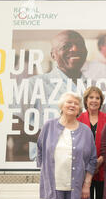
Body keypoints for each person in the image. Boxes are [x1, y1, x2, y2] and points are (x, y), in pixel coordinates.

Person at [8, 30, 89, 161]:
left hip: (89, 169)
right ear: (53, 55)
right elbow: (11, 121)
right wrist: (49, 139)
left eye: (79, 45)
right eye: (66, 46)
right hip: (48, 166)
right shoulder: (33, 85)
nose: (75, 49)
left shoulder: (98, 88)